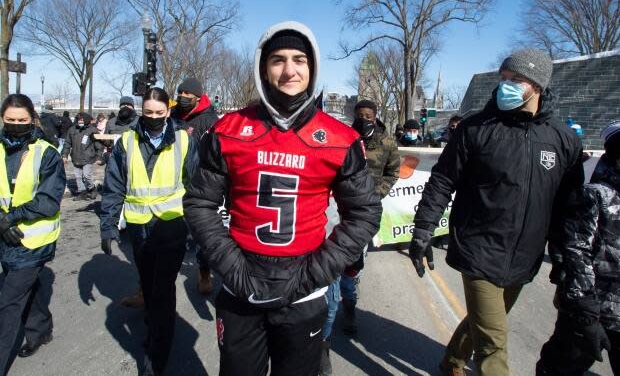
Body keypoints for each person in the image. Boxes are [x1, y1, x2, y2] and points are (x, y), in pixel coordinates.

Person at [184, 21, 382, 376]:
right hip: (239, 288)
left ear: (313, 67)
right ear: (263, 68)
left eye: (299, 60)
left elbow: (365, 212)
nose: (289, 70)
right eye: (278, 60)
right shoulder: (228, 130)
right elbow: (200, 203)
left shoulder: (339, 138)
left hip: (302, 295)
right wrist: (232, 267)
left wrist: (311, 275)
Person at [409, 49, 584, 376]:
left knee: (487, 320)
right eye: (503, 79)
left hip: (524, 255)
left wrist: (564, 257)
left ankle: (451, 361)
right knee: (493, 343)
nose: (506, 86)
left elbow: (568, 207)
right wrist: (423, 230)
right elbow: (442, 181)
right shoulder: (476, 128)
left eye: (516, 80)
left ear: (538, 86)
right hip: (478, 248)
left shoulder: (563, 140)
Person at [99, 87, 198, 376]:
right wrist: (107, 226)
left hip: (172, 228)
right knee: (148, 284)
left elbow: (196, 184)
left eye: (159, 113)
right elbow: (114, 185)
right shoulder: (127, 142)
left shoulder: (183, 140)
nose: (154, 118)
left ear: (168, 111)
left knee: (162, 290)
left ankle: (157, 355)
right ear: (142, 111)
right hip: (138, 229)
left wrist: (197, 226)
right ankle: (155, 325)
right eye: (149, 113)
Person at [320, 99, 400, 375]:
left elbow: (394, 171)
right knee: (330, 284)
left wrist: (376, 193)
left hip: (363, 218)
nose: (363, 118)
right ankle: (324, 347)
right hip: (334, 217)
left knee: (350, 275)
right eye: (359, 114)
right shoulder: (343, 138)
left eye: (368, 115)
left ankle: (350, 308)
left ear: (376, 117)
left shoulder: (387, 142)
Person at [537, 120, 620, 376]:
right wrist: (585, 312)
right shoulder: (595, 196)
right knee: (560, 368)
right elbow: (577, 252)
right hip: (591, 311)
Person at [0, 94, 66, 375]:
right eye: (10, 120)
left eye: (22, 120)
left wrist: (10, 218)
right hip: (4, 237)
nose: (16, 125)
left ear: (32, 120)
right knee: (31, 287)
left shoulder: (46, 153)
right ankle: (40, 330)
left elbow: (48, 199)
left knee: (7, 303)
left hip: (33, 241)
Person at [170, 77, 219, 295]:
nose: (183, 98)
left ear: (198, 97)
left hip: (199, 183)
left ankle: (204, 273)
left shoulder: (210, 120)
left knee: (200, 232)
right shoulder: (172, 117)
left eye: (187, 95)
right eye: (180, 94)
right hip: (172, 182)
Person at [62, 112, 103, 201]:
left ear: (86, 120)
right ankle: (82, 192)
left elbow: (98, 145)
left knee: (86, 175)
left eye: (82, 119)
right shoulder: (72, 130)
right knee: (78, 177)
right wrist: (64, 155)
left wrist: (99, 157)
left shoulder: (92, 130)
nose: (80, 121)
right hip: (76, 157)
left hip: (88, 157)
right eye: (79, 119)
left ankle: (92, 189)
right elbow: (67, 143)